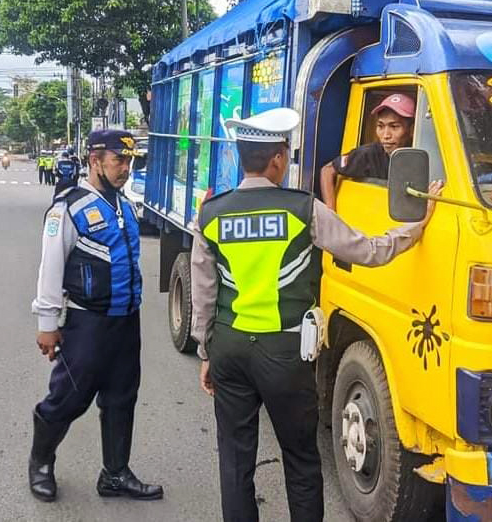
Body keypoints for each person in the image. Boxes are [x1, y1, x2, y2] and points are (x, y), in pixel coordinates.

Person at [191, 108, 442, 522]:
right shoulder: (302, 210)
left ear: (243, 158)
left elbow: (204, 291)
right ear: (276, 159)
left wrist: (205, 352)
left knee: (236, 461)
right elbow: (366, 251)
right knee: (301, 460)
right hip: (285, 354)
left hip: (230, 349)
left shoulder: (211, 213)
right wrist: (414, 228)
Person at [28, 130, 162, 503]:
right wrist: (47, 324)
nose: (126, 168)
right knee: (68, 398)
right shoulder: (67, 207)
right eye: (119, 160)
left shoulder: (123, 203)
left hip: (125, 321)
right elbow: (51, 266)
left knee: (122, 398)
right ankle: (40, 463)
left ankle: (115, 474)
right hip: (87, 324)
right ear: (94, 160)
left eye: (129, 161)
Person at [319, 92, 416, 210]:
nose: (386, 135)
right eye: (380, 126)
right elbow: (327, 170)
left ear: (411, 130)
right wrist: (331, 213)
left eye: (394, 127)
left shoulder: (422, 155)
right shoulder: (368, 154)